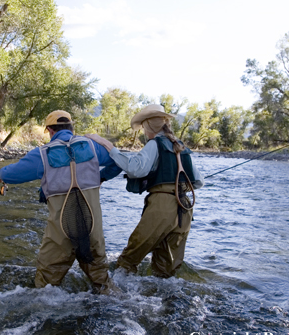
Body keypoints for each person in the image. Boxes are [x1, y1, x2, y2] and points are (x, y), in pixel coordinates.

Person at [0, 110, 122, 294]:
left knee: (45, 288)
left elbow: (10, 174)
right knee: (103, 284)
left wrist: (0, 174)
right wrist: (102, 177)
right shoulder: (92, 147)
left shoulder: (42, 154)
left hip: (60, 233)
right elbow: (119, 161)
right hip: (92, 229)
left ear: (49, 130)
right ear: (71, 128)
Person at [86, 104, 204, 278]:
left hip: (161, 206)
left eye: (143, 127)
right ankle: (165, 302)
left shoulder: (155, 144)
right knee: (166, 270)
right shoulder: (181, 146)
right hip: (184, 208)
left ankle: (113, 295)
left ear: (149, 126)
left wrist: (107, 145)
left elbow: (135, 169)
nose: (142, 131)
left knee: (131, 255)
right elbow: (198, 182)